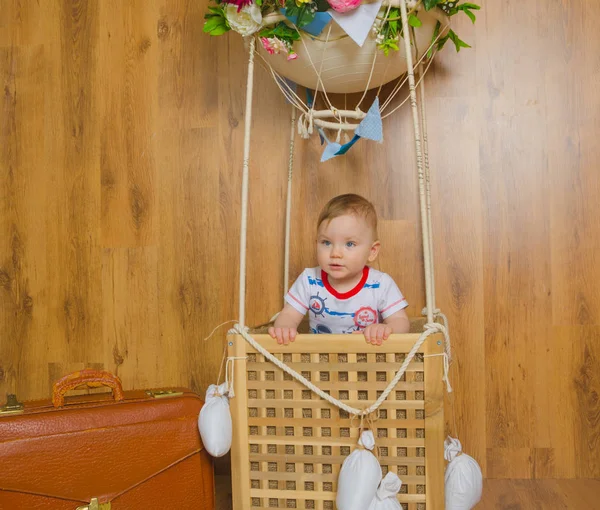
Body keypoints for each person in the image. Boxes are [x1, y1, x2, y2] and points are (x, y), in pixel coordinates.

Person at [268, 194, 410, 346]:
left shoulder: (381, 284)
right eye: (326, 242)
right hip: (320, 359)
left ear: (372, 251)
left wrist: (385, 329)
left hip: (366, 359)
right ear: (316, 243)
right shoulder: (309, 279)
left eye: (349, 244)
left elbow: (401, 321)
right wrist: (284, 328)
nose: (335, 253)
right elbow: (289, 314)